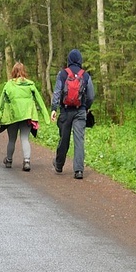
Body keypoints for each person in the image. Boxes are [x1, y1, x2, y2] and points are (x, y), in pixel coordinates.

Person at [0, 62, 50, 171]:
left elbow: (1, 102)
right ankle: (27, 161)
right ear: (24, 71)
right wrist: (46, 117)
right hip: (27, 116)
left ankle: (9, 160)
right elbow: (40, 101)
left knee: (12, 139)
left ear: (13, 71)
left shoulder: (9, 85)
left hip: (12, 116)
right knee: (25, 138)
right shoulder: (30, 84)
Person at [50, 48, 95, 179]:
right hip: (80, 111)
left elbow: (57, 92)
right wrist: (86, 107)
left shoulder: (63, 74)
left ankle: (59, 164)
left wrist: (54, 108)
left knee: (64, 139)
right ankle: (79, 170)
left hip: (65, 111)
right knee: (79, 140)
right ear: (80, 60)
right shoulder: (85, 75)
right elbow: (91, 95)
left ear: (69, 60)